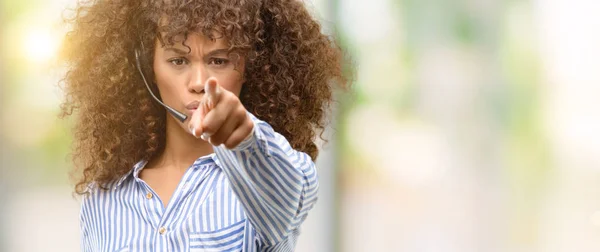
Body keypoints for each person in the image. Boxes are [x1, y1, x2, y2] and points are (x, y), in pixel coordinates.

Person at [59, 0, 348, 251]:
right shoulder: (104, 197)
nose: (198, 83)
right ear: (148, 68)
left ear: (252, 67)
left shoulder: (272, 181)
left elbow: (287, 187)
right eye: (178, 60)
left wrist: (245, 136)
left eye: (219, 60)